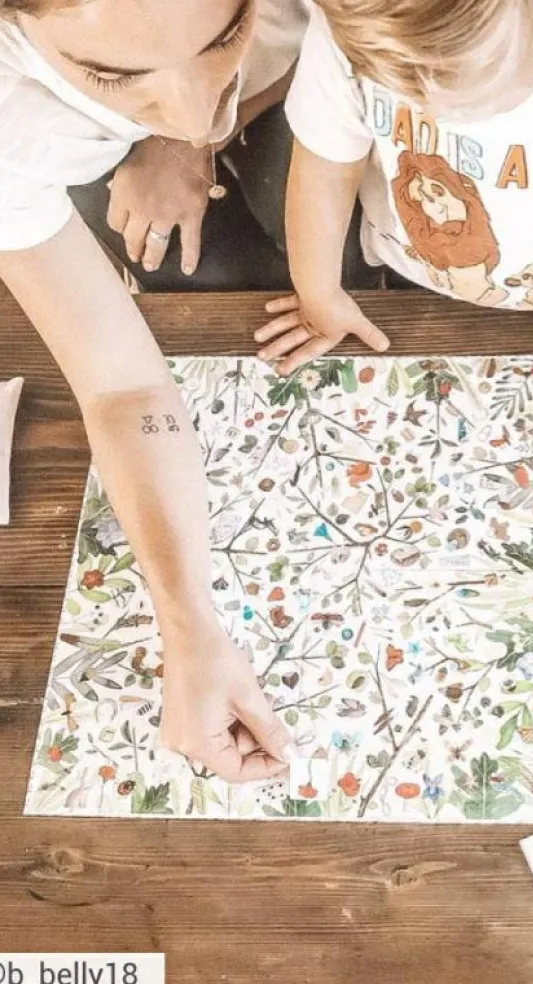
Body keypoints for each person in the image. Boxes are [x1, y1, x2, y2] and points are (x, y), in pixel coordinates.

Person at [0, 0, 306, 780]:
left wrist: (177, 141)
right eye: (111, 73)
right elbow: (122, 388)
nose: (196, 104)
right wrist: (188, 625)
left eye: (222, 34)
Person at [258, 0, 533, 442]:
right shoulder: (351, 23)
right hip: (409, 274)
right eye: (403, 86)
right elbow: (325, 164)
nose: (427, 108)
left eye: (452, 87)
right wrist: (318, 290)